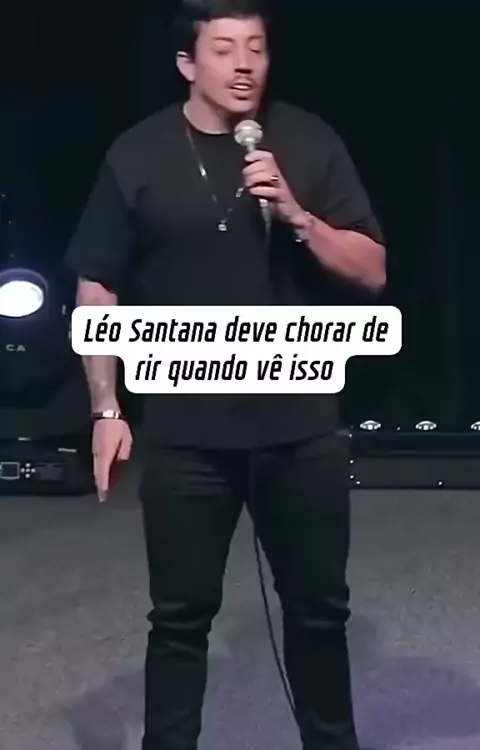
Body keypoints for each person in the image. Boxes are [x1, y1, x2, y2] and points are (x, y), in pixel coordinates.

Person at [64, 1, 386, 748]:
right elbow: (98, 285)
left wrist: (300, 216)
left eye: (256, 48)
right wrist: (107, 409)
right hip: (186, 434)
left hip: (301, 430)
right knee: (179, 621)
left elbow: (371, 270)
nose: (244, 65)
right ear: (188, 63)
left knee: (318, 614)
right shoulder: (138, 154)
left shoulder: (308, 142)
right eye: (224, 49)